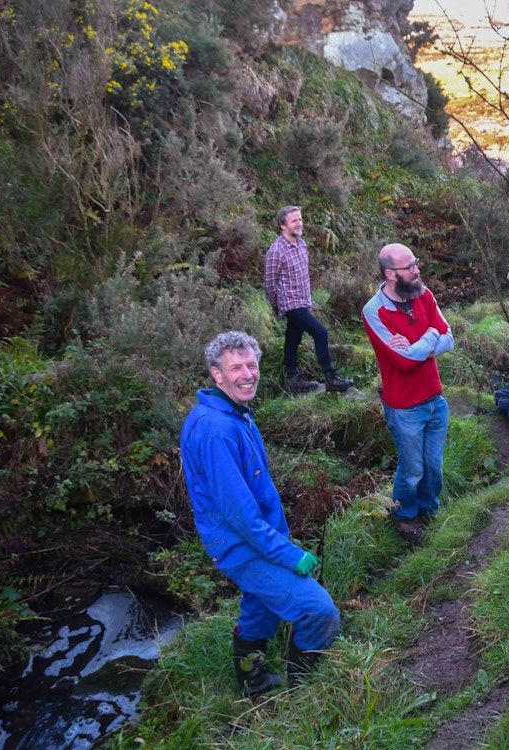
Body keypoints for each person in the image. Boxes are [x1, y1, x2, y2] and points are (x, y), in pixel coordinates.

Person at [179, 331, 341, 696]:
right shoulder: (215, 430)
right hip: (242, 544)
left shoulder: (234, 412)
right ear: (216, 375)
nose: (247, 374)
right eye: (236, 368)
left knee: (260, 607)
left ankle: (253, 683)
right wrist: (289, 554)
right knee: (319, 610)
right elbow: (239, 514)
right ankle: (305, 685)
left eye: (252, 365)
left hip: (257, 538)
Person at [361, 243, 455, 545]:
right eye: (410, 266)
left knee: (434, 467)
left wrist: (419, 345)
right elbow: (402, 362)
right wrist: (430, 337)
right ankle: (405, 516)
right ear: (391, 273)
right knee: (412, 470)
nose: (417, 270)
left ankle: (429, 510)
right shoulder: (374, 310)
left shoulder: (424, 295)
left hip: (434, 400)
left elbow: (449, 338)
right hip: (404, 407)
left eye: (416, 263)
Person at [264, 205, 354, 395]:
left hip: (303, 302)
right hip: (290, 304)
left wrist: (308, 303)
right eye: (294, 220)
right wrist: (278, 306)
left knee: (293, 338)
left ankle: (293, 379)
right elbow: (270, 283)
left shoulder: (301, 244)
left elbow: (303, 277)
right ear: (283, 225)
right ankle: (331, 376)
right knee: (320, 332)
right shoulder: (276, 251)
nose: (299, 223)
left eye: (300, 219)